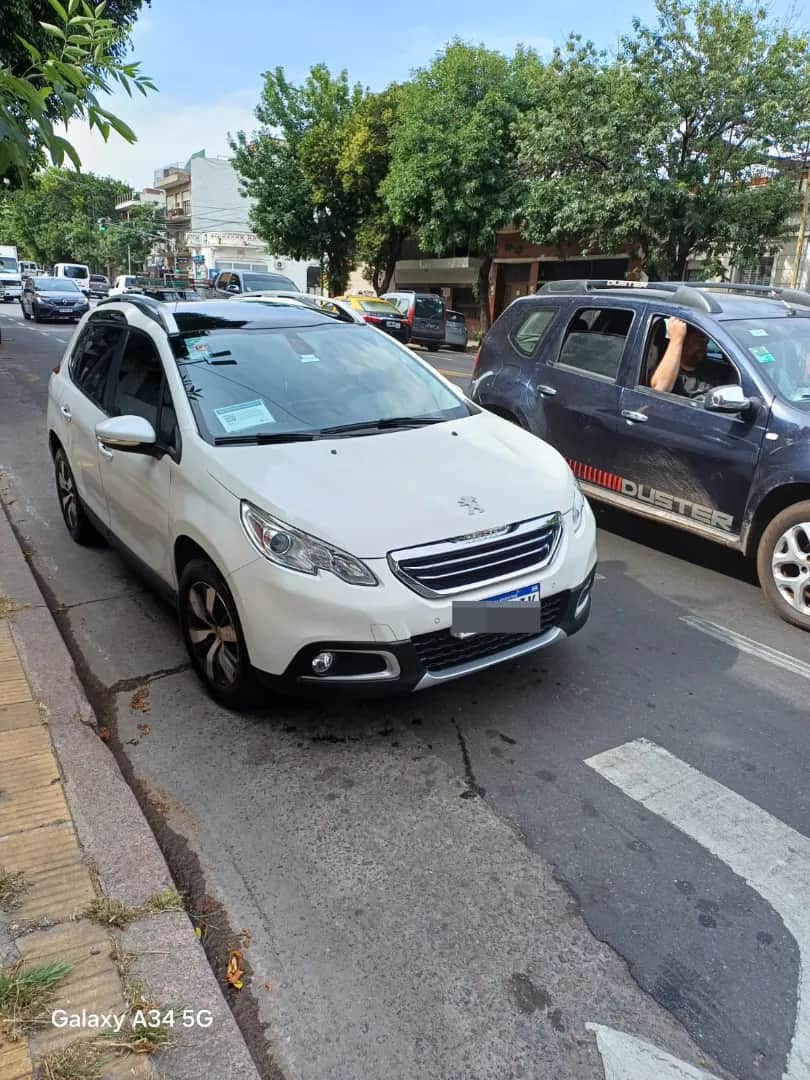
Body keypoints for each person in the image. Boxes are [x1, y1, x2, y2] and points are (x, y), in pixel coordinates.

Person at [650, 317, 728, 399]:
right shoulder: (666, 370)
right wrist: (676, 338)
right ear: (683, 340)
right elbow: (660, 389)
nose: (704, 345)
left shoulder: (715, 370)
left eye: (706, 340)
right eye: (698, 340)